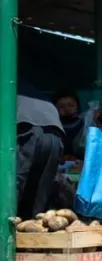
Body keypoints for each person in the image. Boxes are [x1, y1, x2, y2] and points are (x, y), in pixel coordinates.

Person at [16, 81, 64, 219]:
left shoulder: (9, 84)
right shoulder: (27, 87)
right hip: (55, 133)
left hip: (27, 129)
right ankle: (35, 225)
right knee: (41, 190)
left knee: (14, 182)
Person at [53, 90, 87, 158]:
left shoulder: (85, 123)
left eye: (71, 105)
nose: (67, 109)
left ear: (77, 106)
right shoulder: (53, 126)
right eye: (61, 107)